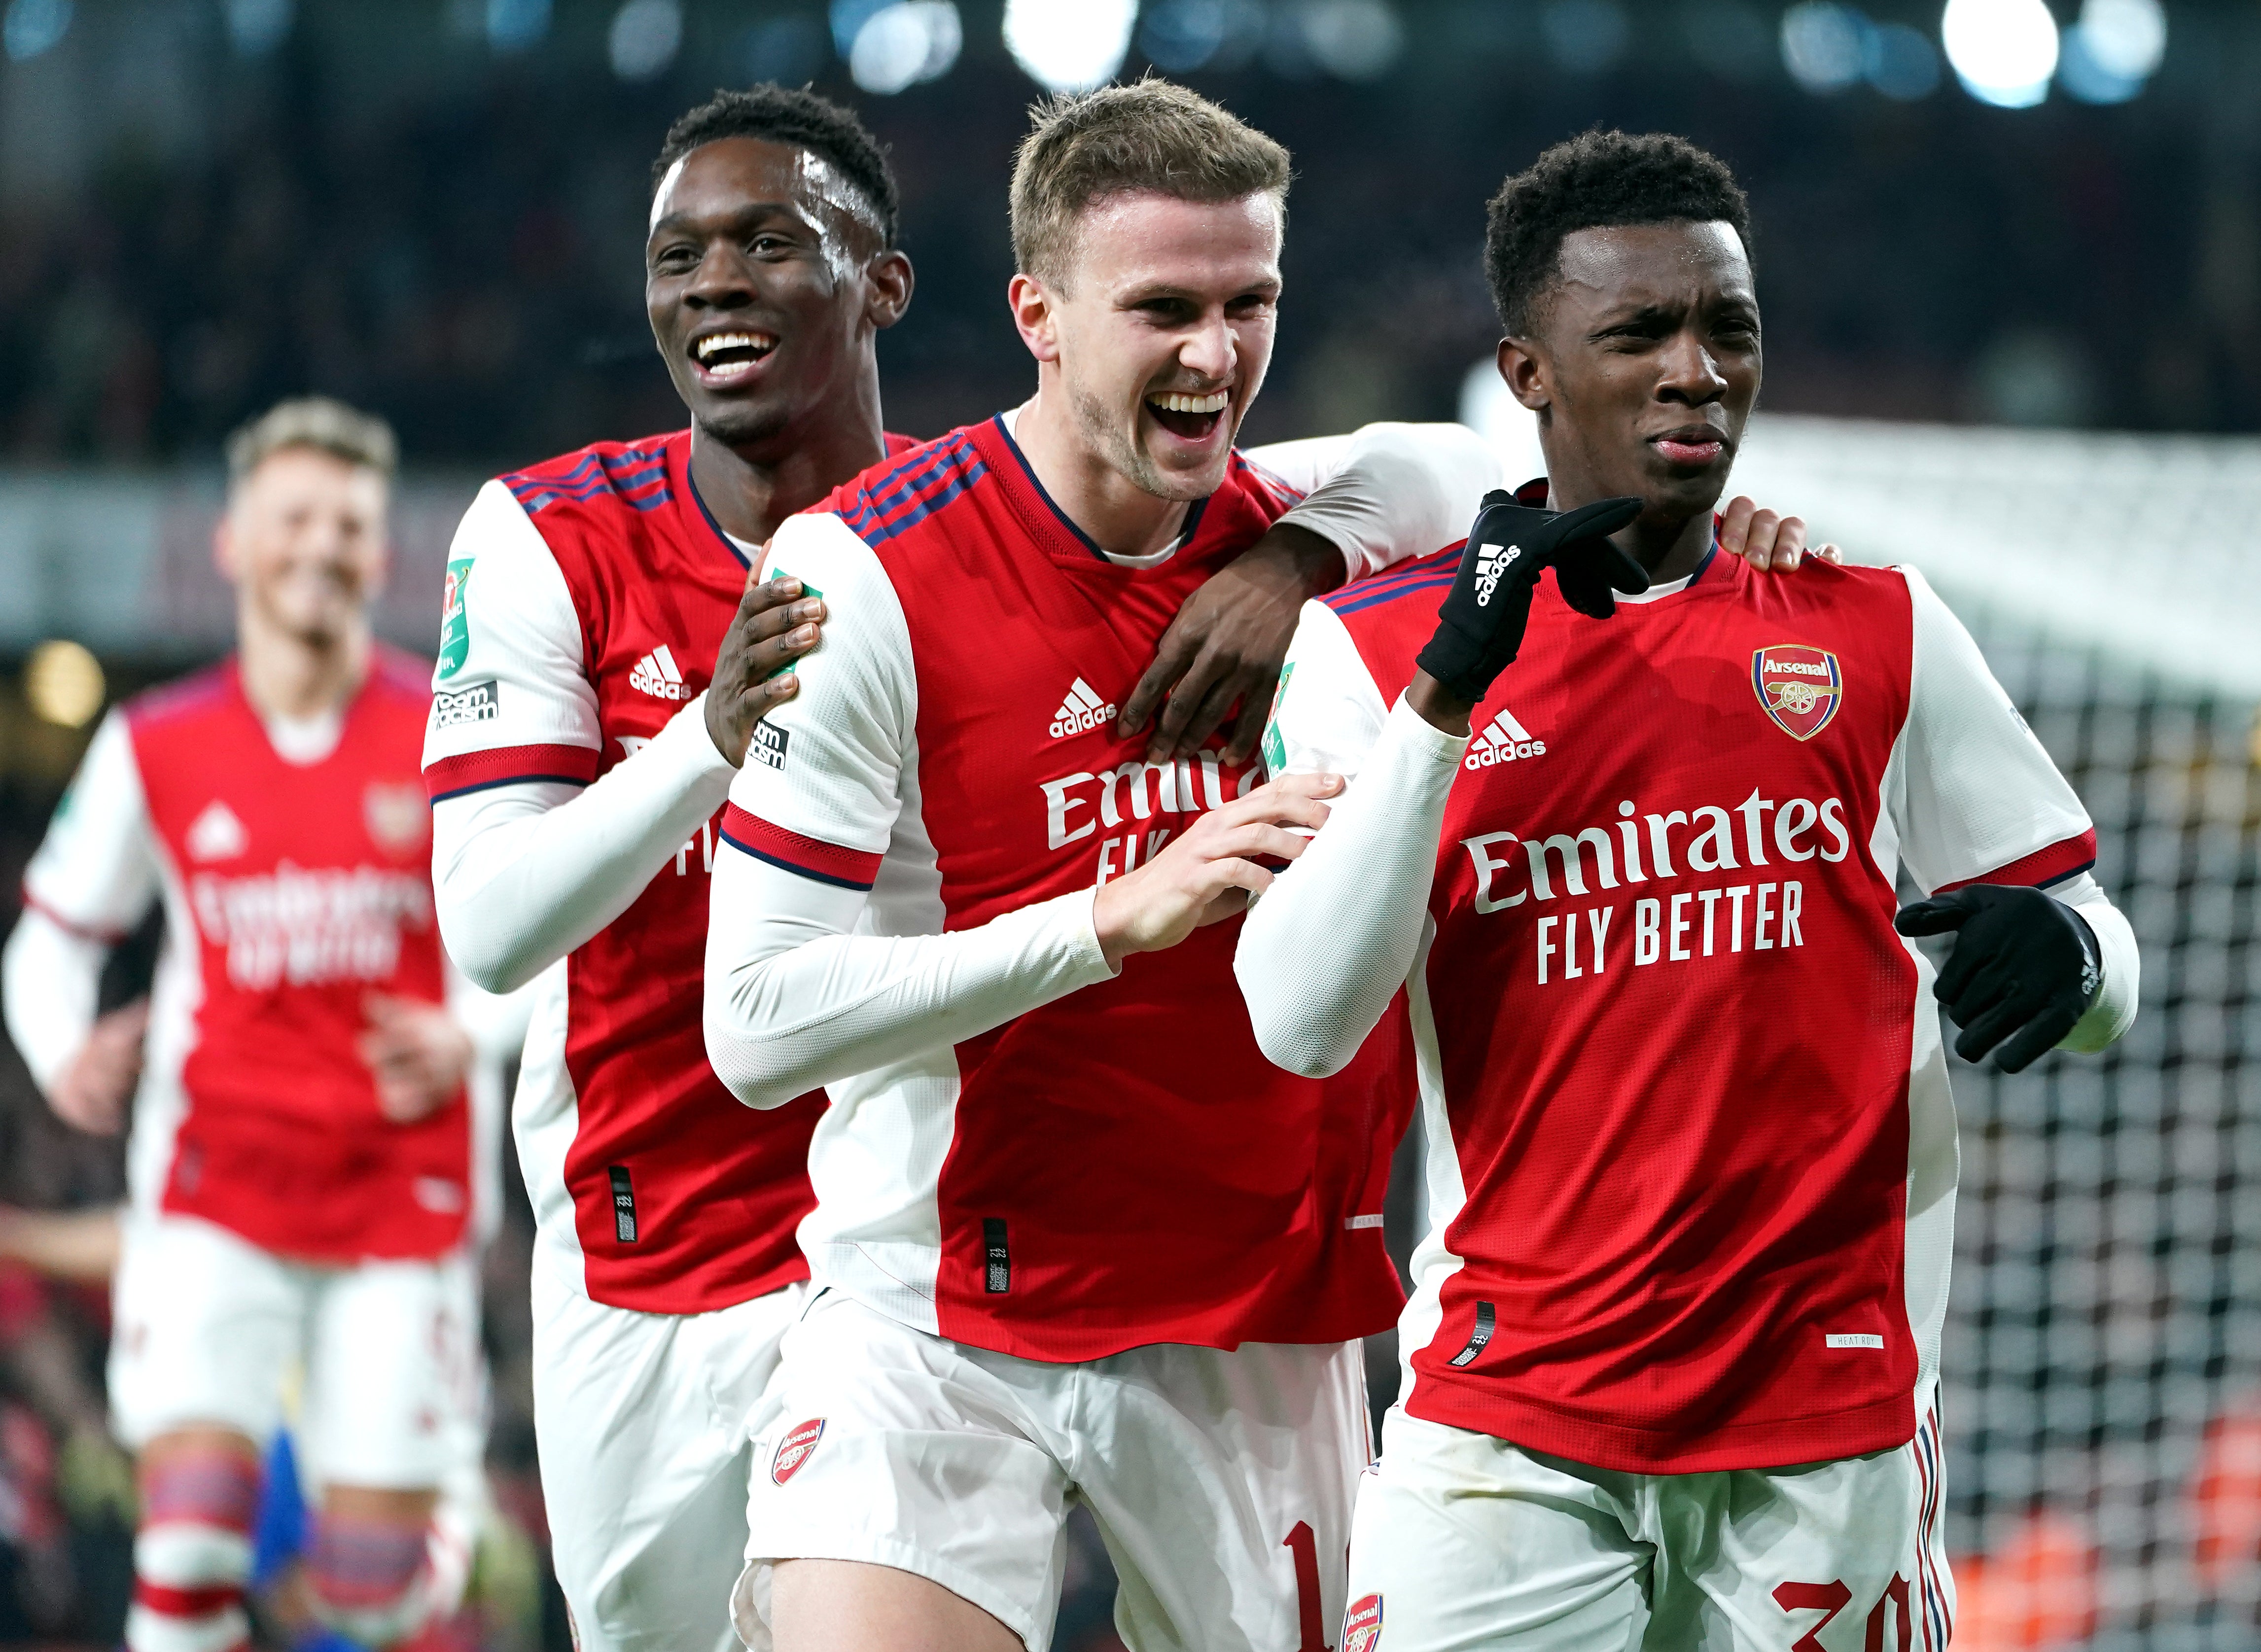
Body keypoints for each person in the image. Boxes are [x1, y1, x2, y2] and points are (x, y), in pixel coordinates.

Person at [420, 80, 1548, 1652]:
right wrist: (1094, 911)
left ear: (884, 284)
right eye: (1164, 308)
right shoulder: (788, 562)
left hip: (1239, 1296)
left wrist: (1304, 554)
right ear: (1040, 315)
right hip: (818, 1265)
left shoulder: (1274, 520)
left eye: (1249, 305)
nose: (1215, 354)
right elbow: (560, 952)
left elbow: (1473, 471)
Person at [1235, 130, 2142, 1651]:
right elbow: (1303, 1025)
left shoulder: (1874, 622)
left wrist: (2074, 951)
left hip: (1824, 1422)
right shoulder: (1379, 654)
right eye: (1639, 333)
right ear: (1528, 372)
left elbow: (2097, 952)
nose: (1694, 371)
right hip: (1506, 1424)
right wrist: (1451, 691)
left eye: (1727, 328)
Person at [2, 397, 523, 1652]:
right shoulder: (154, 743)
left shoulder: (450, 738)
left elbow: (534, 932)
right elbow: (51, 938)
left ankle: (433, 1524)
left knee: (371, 1595)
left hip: (400, 1197)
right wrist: (64, 1045)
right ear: (234, 540)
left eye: (347, 522)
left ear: (379, 551)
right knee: (183, 1551)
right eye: (292, 517)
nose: (320, 545)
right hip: (213, 1189)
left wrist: (473, 1028)